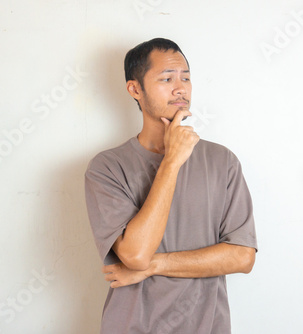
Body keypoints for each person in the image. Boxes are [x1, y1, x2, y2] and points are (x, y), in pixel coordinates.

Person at [84, 37, 258, 334]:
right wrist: (172, 161)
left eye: (186, 78)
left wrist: (154, 266)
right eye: (167, 78)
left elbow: (242, 256)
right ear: (135, 89)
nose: (181, 88)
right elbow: (135, 255)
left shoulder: (222, 161)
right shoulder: (107, 167)